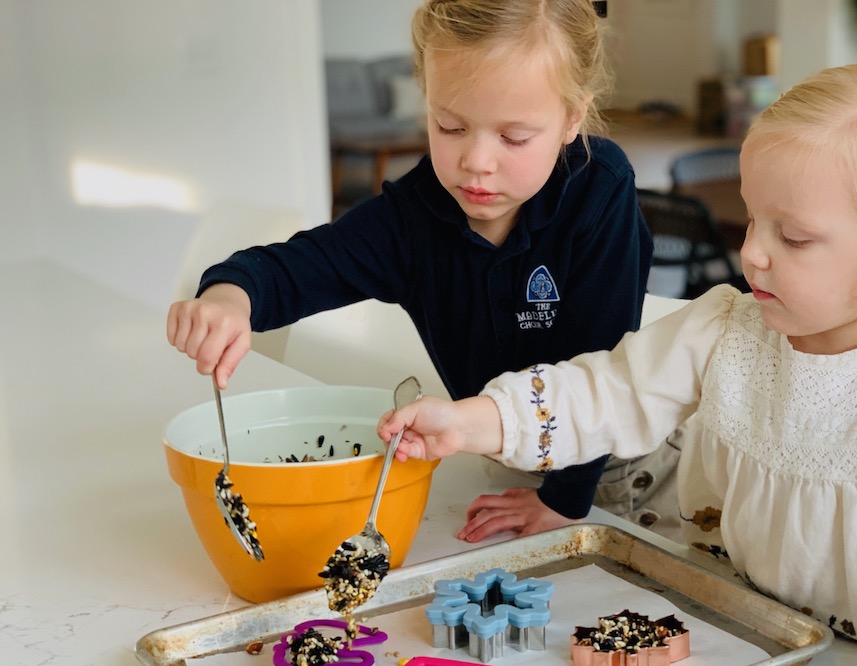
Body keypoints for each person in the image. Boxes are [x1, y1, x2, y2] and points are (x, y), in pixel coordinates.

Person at [376, 59, 857, 666]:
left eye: (793, 238)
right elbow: (605, 394)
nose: (750, 251)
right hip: (762, 648)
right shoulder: (729, 327)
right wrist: (473, 420)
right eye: (753, 217)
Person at [167, 0, 670, 543]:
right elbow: (295, 267)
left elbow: (600, 370)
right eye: (450, 126)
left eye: (514, 138)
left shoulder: (600, 190)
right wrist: (229, 296)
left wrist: (564, 502)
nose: (476, 161)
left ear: (573, 119)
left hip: (619, 471)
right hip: (508, 460)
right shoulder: (409, 220)